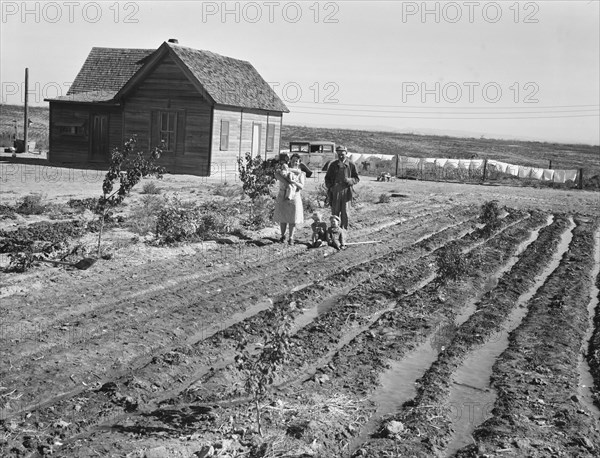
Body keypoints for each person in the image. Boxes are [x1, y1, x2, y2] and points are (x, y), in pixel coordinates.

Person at [324, 145, 360, 230]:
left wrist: (350, 180)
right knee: (335, 211)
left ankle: (344, 230)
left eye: (342, 154)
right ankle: (334, 230)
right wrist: (331, 187)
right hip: (335, 191)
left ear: (346, 153)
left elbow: (356, 178)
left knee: (345, 212)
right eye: (339, 154)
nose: (340, 156)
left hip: (346, 191)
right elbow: (327, 178)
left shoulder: (351, 164)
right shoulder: (333, 165)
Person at [273, 153, 305, 245]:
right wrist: (287, 182)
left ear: (299, 162)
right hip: (283, 194)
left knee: (292, 217)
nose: (294, 162)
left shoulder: (301, 173)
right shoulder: (284, 170)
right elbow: (277, 175)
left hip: (295, 196)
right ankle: (283, 235)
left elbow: (301, 186)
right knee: (283, 216)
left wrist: (293, 182)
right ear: (290, 160)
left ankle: (291, 237)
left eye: (296, 161)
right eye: (293, 160)